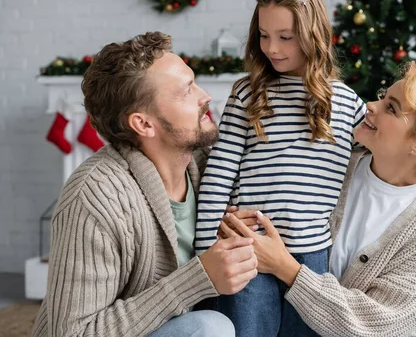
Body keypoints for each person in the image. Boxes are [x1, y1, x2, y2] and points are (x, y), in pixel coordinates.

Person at [194, 0, 416, 337]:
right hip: (250, 243)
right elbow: (220, 169)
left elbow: (412, 152)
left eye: (285, 37)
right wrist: (205, 251)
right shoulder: (248, 94)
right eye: (263, 35)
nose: (272, 48)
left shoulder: (345, 104)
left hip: (312, 257)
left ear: (312, 36)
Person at [221, 61, 416, 336]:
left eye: (391, 108)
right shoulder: (334, 161)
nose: (370, 106)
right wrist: (232, 216)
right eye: (383, 97)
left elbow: (378, 322)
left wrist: (286, 268)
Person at [32, 32, 258, 337]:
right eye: (186, 91)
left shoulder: (211, 168)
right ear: (144, 124)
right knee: (210, 328)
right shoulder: (94, 197)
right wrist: (196, 278)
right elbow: (72, 333)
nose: (205, 96)